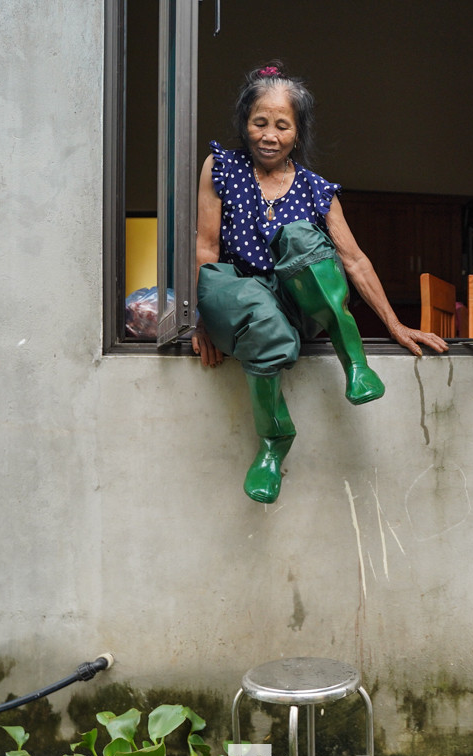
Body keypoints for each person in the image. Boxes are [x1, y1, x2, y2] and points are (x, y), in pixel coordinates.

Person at [192, 61, 448, 504]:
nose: (269, 135)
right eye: (259, 123)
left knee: (299, 238)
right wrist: (207, 319)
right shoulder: (221, 167)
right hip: (246, 304)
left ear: (297, 133)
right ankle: (273, 442)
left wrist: (393, 325)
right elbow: (206, 250)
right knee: (249, 302)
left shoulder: (314, 188)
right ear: (244, 123)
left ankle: (355, 364)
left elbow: (354, 260)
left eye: (282, 126)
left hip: (298, 305)